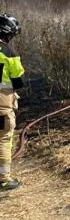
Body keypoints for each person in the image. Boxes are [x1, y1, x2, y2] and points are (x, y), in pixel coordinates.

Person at [0, 14, 24, 191]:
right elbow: (17, 81)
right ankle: (4, 179)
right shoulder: (8, 53)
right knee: (3, 138)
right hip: (1, 103)